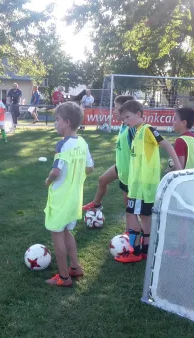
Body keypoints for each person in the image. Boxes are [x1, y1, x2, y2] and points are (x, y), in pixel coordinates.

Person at [114, 100, 183, 264]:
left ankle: (134, 251)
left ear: (139, 114)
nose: (125, 121)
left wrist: (178, 167)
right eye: (123, 118)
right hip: (141, 185)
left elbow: (167, 145)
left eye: (127, 117)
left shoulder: (147, 130)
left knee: (131, 215)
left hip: (142, 186)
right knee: (145, 217)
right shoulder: (137, 131)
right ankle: (146, 250)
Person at [44, 102, 94, 287]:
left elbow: (56, 172)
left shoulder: (62, 145)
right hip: (75, 197)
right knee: (67, 231)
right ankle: (75, 267)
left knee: (57, 234)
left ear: (66, 122)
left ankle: (64, 277)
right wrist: (76, 175)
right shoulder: (82, 142)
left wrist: (48, 181)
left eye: (57, 120)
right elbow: (90, 167)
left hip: (60, 199)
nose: (55, 123)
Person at [165, 107, 194, 258]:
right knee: (191, 212)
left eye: (175, 119)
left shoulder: (180, 141)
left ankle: (182, 249)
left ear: (183, 122)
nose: (173, 122)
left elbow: (180, 167)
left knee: (181, 217)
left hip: (186, 184)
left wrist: (168, 170)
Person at [82, 95, 135, 213]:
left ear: (126, 110)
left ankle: (131, 229)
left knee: (128, 202)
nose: (114, 111)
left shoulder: (132, 129)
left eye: (116, 107)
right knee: (102, 180)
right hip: (120, 166)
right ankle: (96, 204)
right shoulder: (123, 125)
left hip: (129, 171)